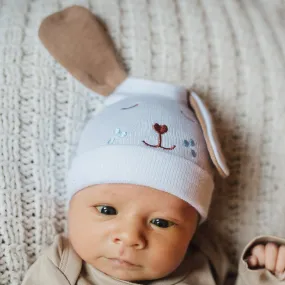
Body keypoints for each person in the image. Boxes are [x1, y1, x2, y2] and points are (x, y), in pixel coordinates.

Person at [21, 77, 285, 285]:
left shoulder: (204, 261)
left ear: (192, 229)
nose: (129, 237)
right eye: (106, 210)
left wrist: (264, 273)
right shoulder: (64, 267)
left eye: (161, 222)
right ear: (71, 207)